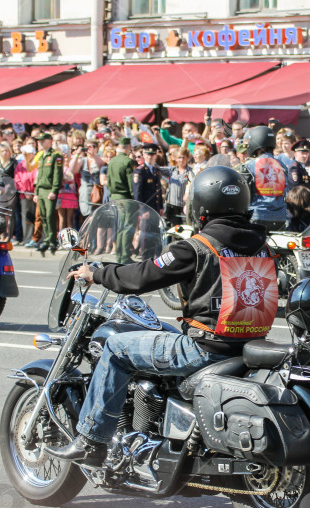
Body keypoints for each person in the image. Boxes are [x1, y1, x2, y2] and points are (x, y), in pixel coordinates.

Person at [46, 166, 273, 462]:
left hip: (204, 350)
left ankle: (91, 440)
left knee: (115, 347)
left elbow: (143, 276)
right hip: (247, 347)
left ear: (201, 206)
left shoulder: (196, 247)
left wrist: (99, 273)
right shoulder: (263, 247)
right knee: (162, 336)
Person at [241, 125, 288, 230]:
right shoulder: (282, 165)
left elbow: (244, 192)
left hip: (257, 215)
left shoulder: (249, 166)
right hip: (280, 218)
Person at [34, 133, 63, 255]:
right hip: (41, 190)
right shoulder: (41, 156)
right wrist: (36, 192)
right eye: (39, 141)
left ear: (50, 141)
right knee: (43, 216)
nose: (40, 142)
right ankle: (46, 239)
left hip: (49, 189)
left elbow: (58, 174)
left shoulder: (56, 155)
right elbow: (39, 175)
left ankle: (52, 240)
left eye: (43, 140)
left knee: (50, 215)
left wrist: (54, 190)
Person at [132, 143, 163, 214]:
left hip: (155, 207)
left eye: (152, 155)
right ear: (144, 155)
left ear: (155, 156)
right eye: (148, 155)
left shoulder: (156, 170)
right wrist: (142, 210)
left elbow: (158, 189)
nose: (150, 157)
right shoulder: (140, 171)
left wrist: (160, 206)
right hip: (146, 208)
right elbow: (137, 192)